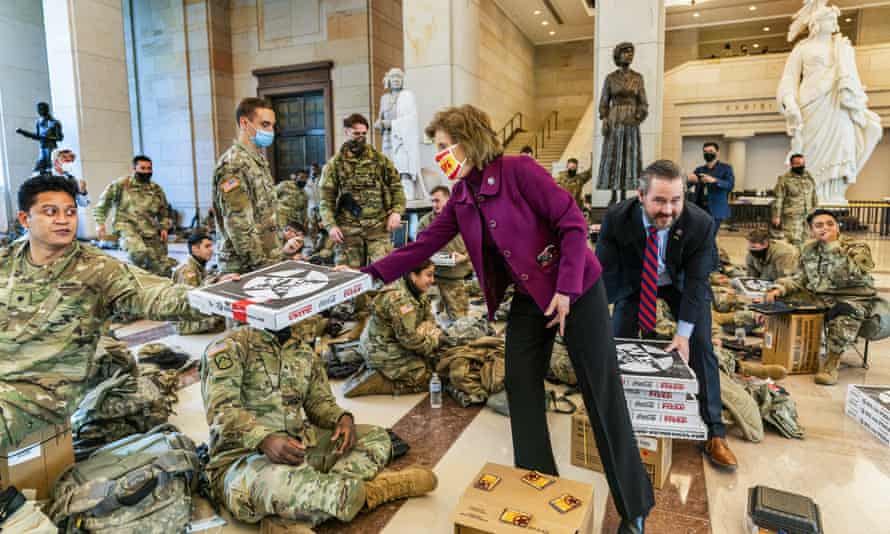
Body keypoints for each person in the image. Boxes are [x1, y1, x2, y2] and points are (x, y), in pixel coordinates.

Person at [344, 104, 653, 533]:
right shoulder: (462, 196)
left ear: (467, 142)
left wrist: (565, 289)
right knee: (521, 388)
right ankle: (539, 488)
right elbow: (422, 245)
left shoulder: (518, 171)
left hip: (576, 289)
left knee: (601, 395)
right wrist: (365, 276)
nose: (440, 157)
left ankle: (634, 507)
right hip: (531, 297)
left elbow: (572, 223)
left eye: (443, 147)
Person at [0, 174, 208, 449]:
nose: (64, 220)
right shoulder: (6, 261)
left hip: (44, 390)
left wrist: (210, 295)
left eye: (70, 212)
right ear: (25, 219)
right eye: (51, 212)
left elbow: (153, 294)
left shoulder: (97, 267)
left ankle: (157, 380)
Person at [200, 323, 437, 528]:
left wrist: (341, 419)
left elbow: (318, 402)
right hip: (242, 460)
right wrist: (265, 440)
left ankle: (302, 506)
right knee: (275, 482)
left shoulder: (303, 351)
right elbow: (222, 411)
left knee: (375, 437)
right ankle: (371, 492)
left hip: (299, 447)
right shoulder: (230, 347)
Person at [597, 159, 738, 472]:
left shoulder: (700, 223)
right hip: (636, 281)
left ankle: (714, 431)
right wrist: (594, 322)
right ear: (641, 196)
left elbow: (698, 282)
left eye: (676, 200)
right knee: (618, 342)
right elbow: (602, 274)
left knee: (701, 346)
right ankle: (619, 418)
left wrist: (683, 335)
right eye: (659, 200)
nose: (668, 210)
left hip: (681, 282)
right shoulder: (618, 218)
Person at [766, 209, 875, 385]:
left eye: (830, 224)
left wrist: (833, 246)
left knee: (844, 313)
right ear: (811, 231)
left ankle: (831, 363)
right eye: (819, 225)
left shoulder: (857, 247)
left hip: (853, 297)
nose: (825, 228)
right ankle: (780, 345)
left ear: (838, 227)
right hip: (820, 296)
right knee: (777, 299)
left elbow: (853, 275)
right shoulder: (808, 249)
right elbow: (800, 278)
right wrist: (780, 289)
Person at [319, 113, 405, 313]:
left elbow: (396, 188)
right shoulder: (335, 165)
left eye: (364, 133)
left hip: (377, 230)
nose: (360, 137)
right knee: (349, 283)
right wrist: (331, 226)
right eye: (356, 133)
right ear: (346, 132)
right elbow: (326, 201)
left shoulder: (379, 161)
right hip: (348, 233)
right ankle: (356, 322)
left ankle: (390, 318)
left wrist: (397, 212)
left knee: (388, 276)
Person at [212, 97, 299, 274]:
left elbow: (265, 212)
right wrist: (261, 265)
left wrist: (281, 242)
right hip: (244, 266)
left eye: (273, 125)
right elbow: (239, 224)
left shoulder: (257, 160)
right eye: (265, 125)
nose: (271, 131)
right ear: (245, 123)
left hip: (267, 257)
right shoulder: (233, 165)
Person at [343, 260, 443, 397]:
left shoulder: (417, 289)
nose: (432, 280)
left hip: (393, 340)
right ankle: (379, 382)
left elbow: (429, 317)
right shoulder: (400, 299)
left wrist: (428, 330)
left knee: (435, 361)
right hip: (380, 348)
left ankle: (381, 371)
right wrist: (433, 339)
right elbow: (410, 340)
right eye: (429, 275)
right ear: (414, 276)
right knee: (429, 378)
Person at [93, 155, 177, 277]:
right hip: (126, 226)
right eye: (142, 168)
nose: (146, 171)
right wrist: (100, 223)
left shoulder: (156, 189)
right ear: (134, 169)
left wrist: (164, 227)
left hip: (148, 229)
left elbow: (163, 210)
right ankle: (136, 279)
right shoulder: (121, 184)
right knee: (138, 252)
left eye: (149, 168)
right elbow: (103, 203)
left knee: (162, 265)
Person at [418, 186, 471, 320]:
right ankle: (440, 304)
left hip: (454, 273)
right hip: (432, 273)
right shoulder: (425, 222)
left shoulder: (464, 218)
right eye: (432, 201)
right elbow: (418, 248)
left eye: (437, 201)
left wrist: (464, 257)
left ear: (449, 201)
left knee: (460, 320)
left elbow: (478, 245)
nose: (434, 205)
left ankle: (444, 303)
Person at [171, 233, 225, 335]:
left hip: (191, 314)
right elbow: (191, 298)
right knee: (225, 314)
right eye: (207, 246)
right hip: (184, 322)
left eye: (211, 246)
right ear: (195, 249)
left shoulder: (198, 264)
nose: (211, 250)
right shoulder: (187, 270)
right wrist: (216, 281)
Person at [772, 154, 818, 250]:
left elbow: (813, 193)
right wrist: (776, 216)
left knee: (805, 240)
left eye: (803, 163)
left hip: (807, 214)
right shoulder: (784, 179)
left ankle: (800, 261)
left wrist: (815, 209)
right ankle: (793, 261)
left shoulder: (808, 176)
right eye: (798, 164)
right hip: (792, 215)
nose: (801, 166)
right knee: (794, 240)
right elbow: (779, 198)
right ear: (792, 164)